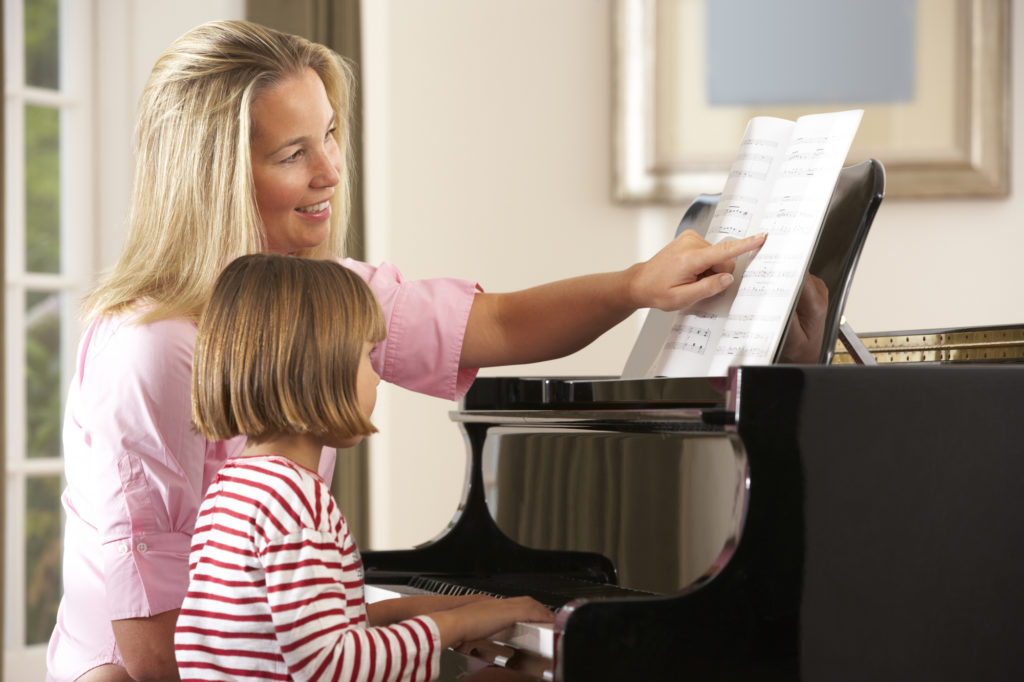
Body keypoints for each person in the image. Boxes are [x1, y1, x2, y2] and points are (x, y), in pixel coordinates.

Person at [46, 19, 825, 682]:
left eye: (330, 136)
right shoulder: (150, 355)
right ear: (212, 177)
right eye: (293, 154)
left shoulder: (323, 300)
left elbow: (497, 327)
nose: (330, 170)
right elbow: (156, 653)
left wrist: (637, 285)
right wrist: (447, 632)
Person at [174, 253, 553, 680]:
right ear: (317, 367)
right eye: (367, 356)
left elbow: (328, 626)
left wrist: (470, 608)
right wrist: (458, 625)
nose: (376, 378)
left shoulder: (234, 488)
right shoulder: (295, 499)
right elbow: (333, 664)